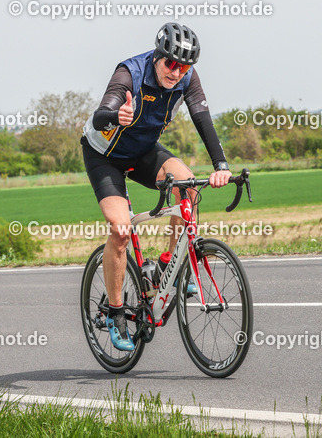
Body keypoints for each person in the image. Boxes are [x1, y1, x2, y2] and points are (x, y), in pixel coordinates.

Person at [81, 23, 231, 351]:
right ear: (157, 57)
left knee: (188, 186)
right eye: (171, 64)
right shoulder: (130, 73)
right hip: (104, 156)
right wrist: (114, 115)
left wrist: (221, 166)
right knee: (120, 231)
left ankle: (167, 265)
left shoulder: (188, 78)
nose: (177, 72)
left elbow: (202, 118)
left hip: (143, 152)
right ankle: (117, 313)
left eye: (184, 66)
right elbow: (99, 116)